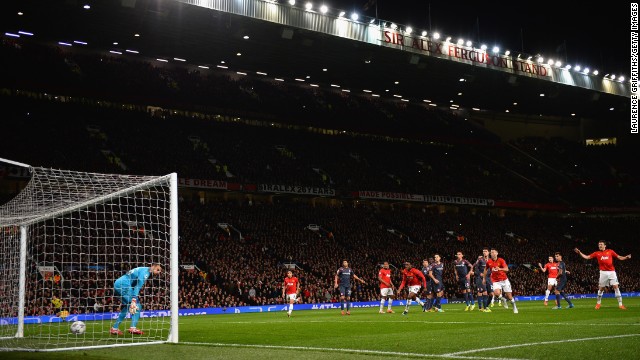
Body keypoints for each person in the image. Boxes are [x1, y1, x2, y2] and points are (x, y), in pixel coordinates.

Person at [575, 241, 632, 310]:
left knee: (616, 287)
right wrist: (580, 253)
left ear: (605, 245)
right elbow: (587, 257)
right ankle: (598, 303)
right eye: (599, 244)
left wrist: (626, 257)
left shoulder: (610, 251)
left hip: (612, 272)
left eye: (601, 244)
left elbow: (619, 257)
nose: (600, 246)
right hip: (603, 273)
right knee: (601, 289)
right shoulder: (597, 253)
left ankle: (620, 304)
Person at [111, 263, 162, 335]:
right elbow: (137, 286)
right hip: (124, 285)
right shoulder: (145, 273)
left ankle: (114, 328)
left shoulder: (143, 269)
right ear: (153, 266)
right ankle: (133, 328)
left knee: (127, 306)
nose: (159, 272)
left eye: (160, 271)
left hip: (118, 283)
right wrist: (134, 298)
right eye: (158, 270)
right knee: (137, 306)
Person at [483, 248, 518, 314]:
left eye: (493, 252)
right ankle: (503, 299)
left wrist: (500, 268)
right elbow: (485, 269)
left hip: (504, 280)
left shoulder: (501, 260)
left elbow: (507, 269)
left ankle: (514, 306)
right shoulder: (489, 262)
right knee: (496, 293)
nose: (492, 254)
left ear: (497, 253)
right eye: (491, 252)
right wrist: (484, 279)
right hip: (495, 281)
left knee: (510, 297)